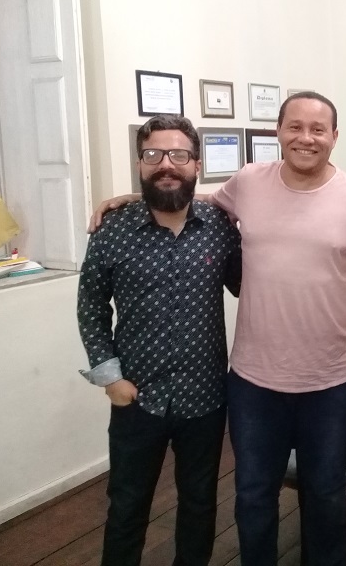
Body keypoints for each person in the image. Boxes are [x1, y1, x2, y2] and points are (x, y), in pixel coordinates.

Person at [89, 92, 346, 565]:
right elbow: (193, 199)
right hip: (255, 383)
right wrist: (136, 198)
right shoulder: (249, 182)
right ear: (278, 132)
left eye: (318, 129)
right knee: (253, 495)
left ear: (334, 137)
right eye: (295, 126)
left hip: (332, 382)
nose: (306, 137)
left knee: (325, 494)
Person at [77, 114, 242, 566]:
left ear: (196, 164)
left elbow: (249, 287)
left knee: (199, 503)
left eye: (179, 155)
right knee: (127, 506)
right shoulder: (111, 230)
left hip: (205, 397)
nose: (166, 164)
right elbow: (91, 306)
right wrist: (110, 378)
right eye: (153, 154)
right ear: (139, 163)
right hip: (136, 397)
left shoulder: (220, 226)